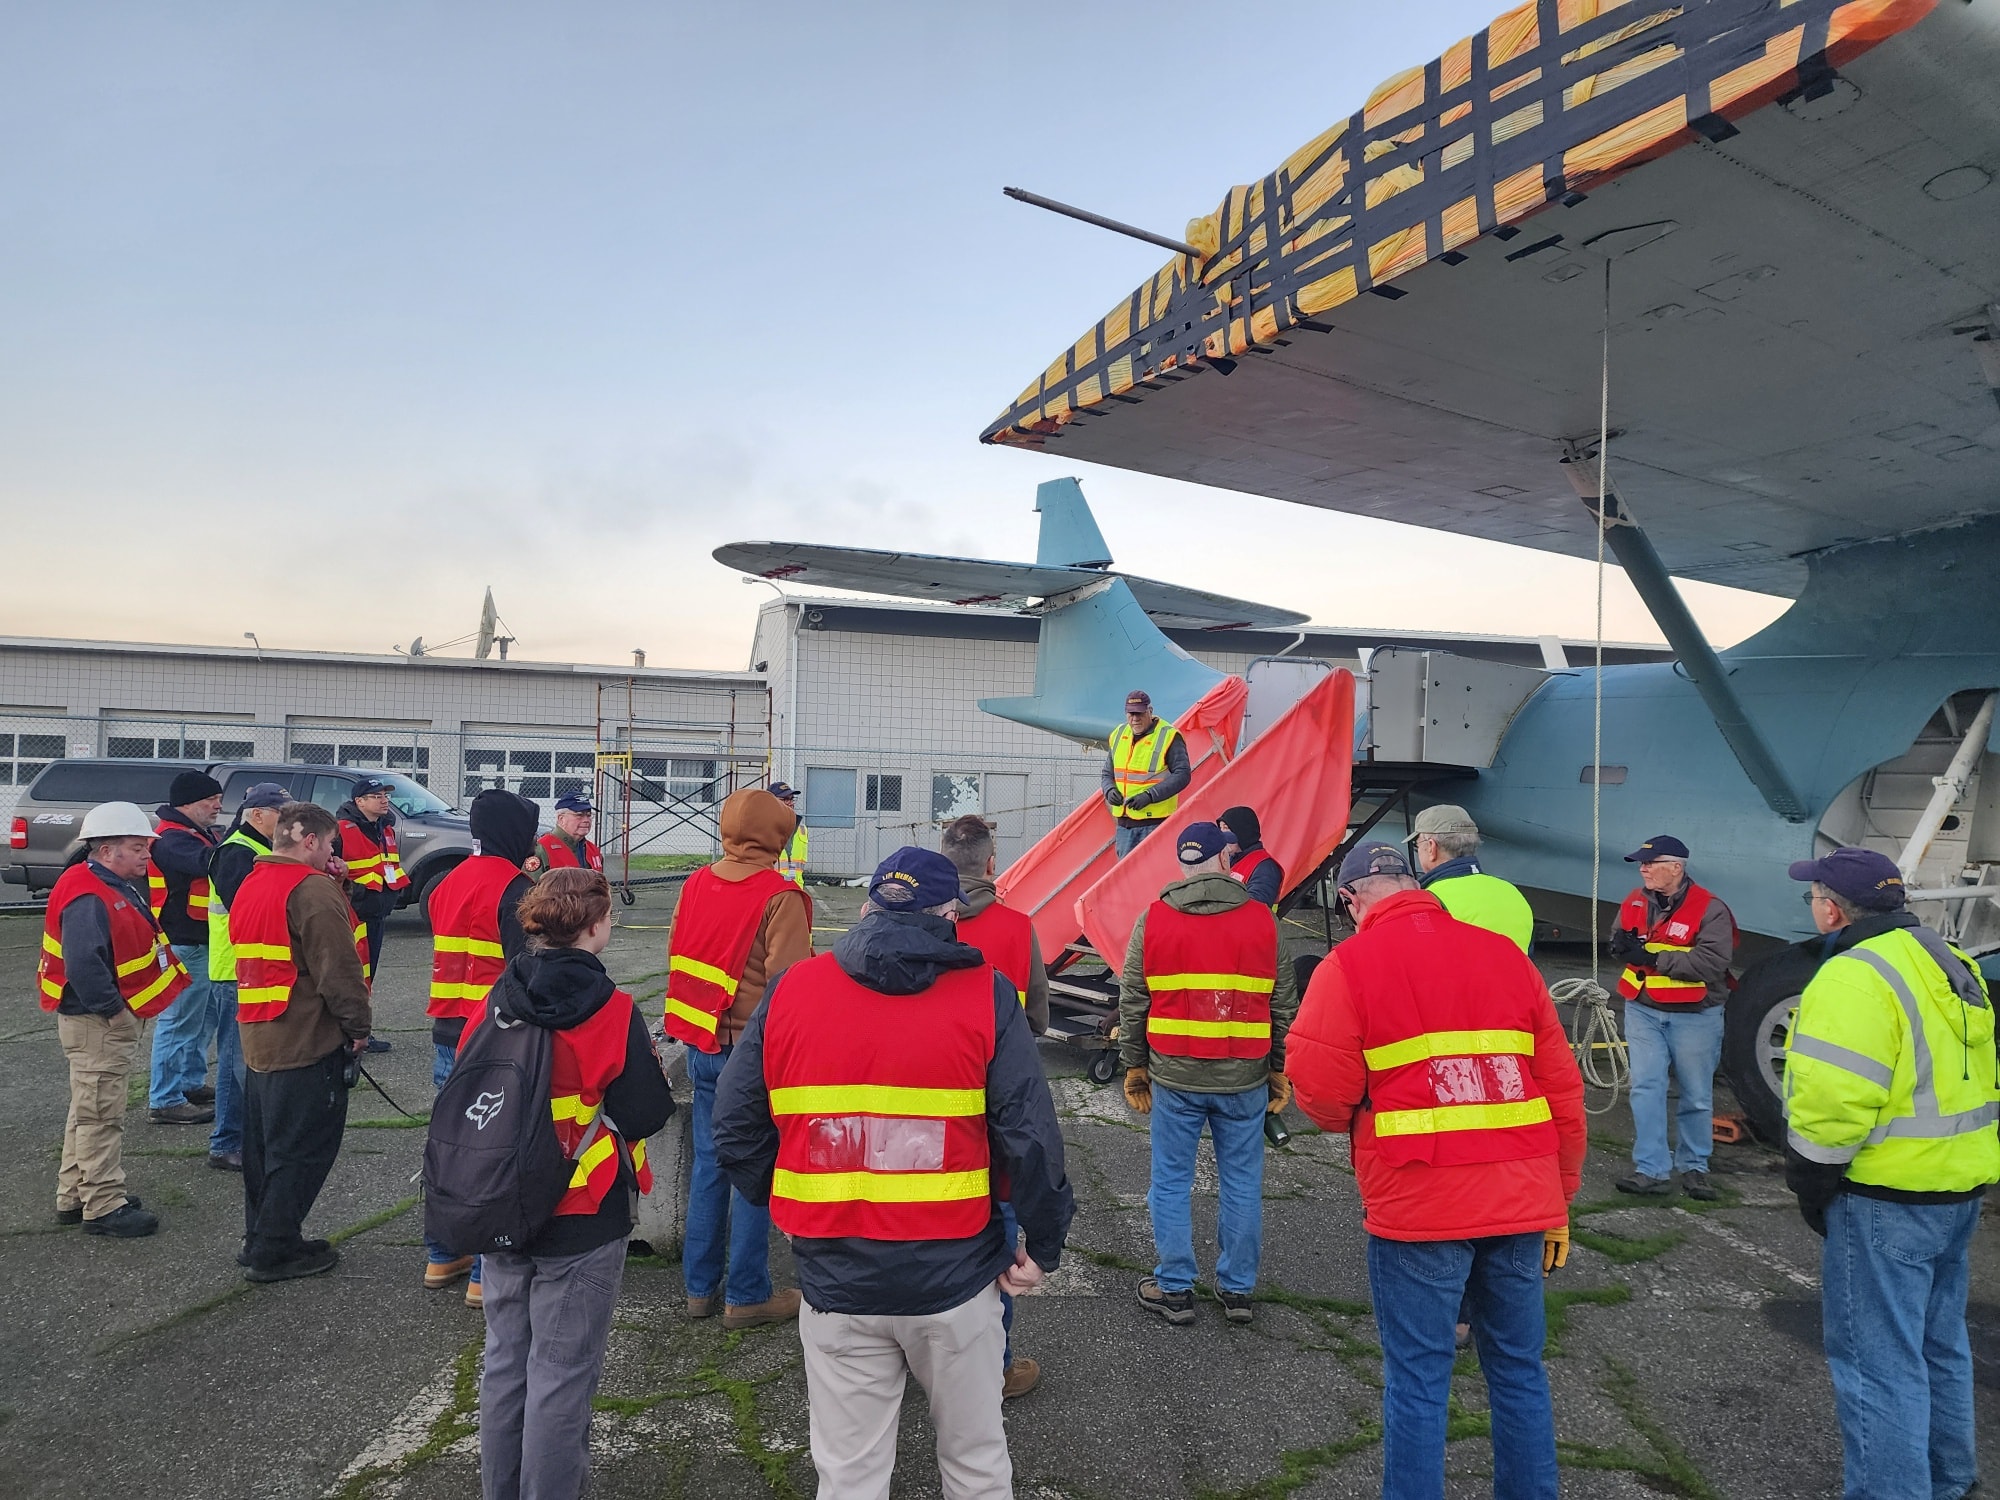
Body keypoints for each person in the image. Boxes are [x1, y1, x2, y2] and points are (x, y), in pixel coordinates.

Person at [711, 847, 1074, 1500]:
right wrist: (1041, 1246)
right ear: (949, 913)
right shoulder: (986, 993)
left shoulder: (795, 989)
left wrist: (794, 1204)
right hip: (956, 1280)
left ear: (869, 906)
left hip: (835, 1277)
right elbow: (1031, 1139)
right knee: (977, 1466)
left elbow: (735, 1127)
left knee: (849, 1476)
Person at [1287, 841, 1586, 1500]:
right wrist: (1558, 1199)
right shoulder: (1504, 956)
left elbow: (1319, 1091)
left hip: (1419, 1207)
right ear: (1417, 884)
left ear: (1351, 898)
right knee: (1517, 1370)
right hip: (1521, 1202)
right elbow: (1562, 1089)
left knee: (1420, 1380)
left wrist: (1362, 1118)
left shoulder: (1349, 965)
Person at [1783, 847, 1999, 1500]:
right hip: (1957, 1189)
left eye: (1812, 897)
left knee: (1878, 1366)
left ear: (1830, 907)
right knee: (1939, 1347)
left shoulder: (1852, 976)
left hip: (1886, 1197)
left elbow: (1833, 1104)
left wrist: (1811, 1184)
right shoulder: (1949, 958)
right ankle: (1949, 1479)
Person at [474, 868, 675, 1500]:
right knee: (561, 1373)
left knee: (506, 1360)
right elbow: (644, 1113)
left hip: (499, 1198)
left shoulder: (500, 995)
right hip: (581, 1208)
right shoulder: (611, 1009)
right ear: (596, 927)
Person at [1119, 821, 1298, 1326]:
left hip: (1174, 1078)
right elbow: (1284, 1004)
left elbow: (1134, 1000)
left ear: (1184, 865)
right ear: (1226, 859)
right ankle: (1237, 1290)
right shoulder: (1263, 920)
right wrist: (1278, 1069)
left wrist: (1135, 1066)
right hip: (1245, 1078)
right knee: (1241, 1181)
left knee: (1171, 1182)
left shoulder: (1152, 919)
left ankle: (1175, 1288)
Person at [662, 787, 813, 1328]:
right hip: (753, 1058)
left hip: (701, 1044)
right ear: (778, 836)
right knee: (753, 1171)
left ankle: (698, 1290)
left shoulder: (695, 883)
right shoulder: (781, 897)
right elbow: (791, 989)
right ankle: (747, 1295)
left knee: (709, 1165)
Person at [231, 801, 373, 1281]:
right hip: (306, 1039)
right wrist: (358, 1029)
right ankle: (275, 1250)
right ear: (309, 841)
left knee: (264, 1152)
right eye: (330, 843)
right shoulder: (310, 890)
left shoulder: (255, 880)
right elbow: (339, 971)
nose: (333, 852)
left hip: (259, 1037)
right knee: (303, 1151)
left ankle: (264, 1236)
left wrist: (337, 886)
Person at [38, 801, 192, 1238]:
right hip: (97, 1021)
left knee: (87, 1110)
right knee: (101, 1114)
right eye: (138, 847)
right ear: (107, 851)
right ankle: (103, 1204)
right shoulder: (89, 893)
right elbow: (85, 964)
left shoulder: (96, 881)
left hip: (96, 1019)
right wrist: (113, 1013)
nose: (148, 854)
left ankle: (75, 1194)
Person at [938, 811, 1049, 1400]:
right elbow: (1038, 1018)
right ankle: (996, 1365)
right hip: (1001, 1102)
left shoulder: (924, 919)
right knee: (1001, 1222)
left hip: (933, 1099)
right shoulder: (1017, 925)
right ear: (990, 864)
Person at [424, 789, 539, 1306]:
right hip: (496, 1037)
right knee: (495, 1154)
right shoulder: (516, 888)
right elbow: (525, 972)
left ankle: (443, 1252)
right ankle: (485, 1272)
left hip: (447, 1030)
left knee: (451, 1148)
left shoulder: (448, 882)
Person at [1607, 835, 1736, 1201]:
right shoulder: (1635, 900)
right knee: (1647, 1087)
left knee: (1695, 1094)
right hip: (1643, 1009)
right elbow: (1620, 936)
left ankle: (1694, 1167)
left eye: (1651, 863)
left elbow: (1712, 963)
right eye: (1641, 863)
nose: (1643, 868)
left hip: (1695, 1014)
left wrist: (1650, 957)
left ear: (1676, 868)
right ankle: (1651, 1169)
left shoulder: (1710, 909)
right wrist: (1620, 947)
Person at [205, 782, 293, 1172]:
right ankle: (226, 1142)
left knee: (248, 1059)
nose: (288, 821)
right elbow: (250, 908)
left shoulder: (260, 849)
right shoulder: (238, 853)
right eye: (282, 813)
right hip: (235, 970)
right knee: (235, 1061)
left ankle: (243, 1138)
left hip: (251, 968)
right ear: (257, 815)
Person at [145, 769, 224, 1124]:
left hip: (199, 939)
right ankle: (165, 1098)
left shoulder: (194, 833)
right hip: (184, 939)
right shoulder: (173, 839)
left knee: (199, 1021)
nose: (217, 807)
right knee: (178, 1021)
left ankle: (189, 1083)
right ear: (189, 803)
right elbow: (207, 864)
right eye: (212, 801)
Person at [337, 775, 407, 1050]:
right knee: (352, 975)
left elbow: (388, 867)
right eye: (377, 796)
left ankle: (359, 1031)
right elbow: (329, 871)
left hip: (376, 914)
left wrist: (391, 896)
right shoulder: (341, 829)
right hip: (353, 915)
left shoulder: (384, 828)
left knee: (367, 975)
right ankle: (348, 1034)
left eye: (385, 795)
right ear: (359, 802)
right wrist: (361, 895)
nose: (384, 800)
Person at [1406, 804, 1533, 953]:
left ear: (1431, 848)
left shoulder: (1426, 900)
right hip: (1515, 976)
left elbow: (1420, 958)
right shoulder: (1511, 892)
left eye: (1417, 846)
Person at [1102, 689, 1191, 858]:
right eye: (1131, 713)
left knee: (1153, 879)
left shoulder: (1169, 735)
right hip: (1124, 826)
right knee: (1126, 879)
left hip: (1155, 824)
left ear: (1150, 711)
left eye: (1139, 713)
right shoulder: (1118, 734)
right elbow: (1107, 773)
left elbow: (1183, 775)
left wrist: (1149, 796)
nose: (1135, 718)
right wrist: (1109, 790)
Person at [1218, 805, 1284, 909]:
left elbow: (1255, 908)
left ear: (1242, 832)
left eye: (1226, 828)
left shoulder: (1265, 868)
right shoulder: (1230, 859)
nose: (1221, 835)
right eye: (1220, 828)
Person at [536, 791, 603, 872]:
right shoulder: (542, 848)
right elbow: (531, 884)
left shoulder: (593, 850)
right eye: (579, 815)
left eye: (589, 815)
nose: (586, 820)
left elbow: (601, 883)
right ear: (561, 819)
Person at [769, 782, 808, 887]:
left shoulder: (802, 829)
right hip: (771, 891)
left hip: (795, 890)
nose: (790, 803)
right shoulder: (763, 829)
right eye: (785, 799)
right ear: (771, 802)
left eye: (791, 799)